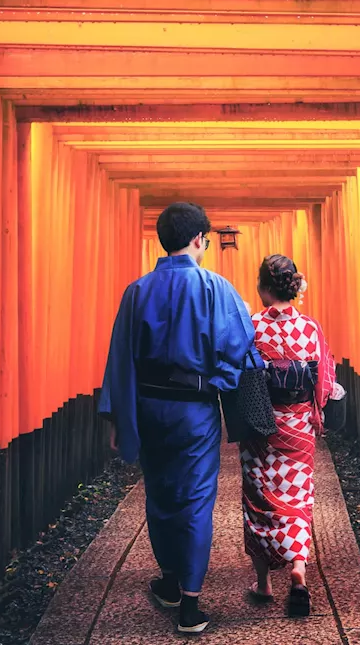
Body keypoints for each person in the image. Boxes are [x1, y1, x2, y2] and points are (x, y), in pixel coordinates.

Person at [97, 202, 257, 634]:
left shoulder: (137, 291)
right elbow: (239, 345)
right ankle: (189, 602)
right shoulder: (215, 288)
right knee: (196, 500)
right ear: (199, 239)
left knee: (161, 495)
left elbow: (119, 358)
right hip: (194, 410)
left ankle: (168, 580)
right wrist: (217, 383)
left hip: (148, 407)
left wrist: (116, 418)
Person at [241, 254, 340, 617]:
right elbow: (324, 376)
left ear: (263, 288)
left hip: (262, 426)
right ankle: (299, 570)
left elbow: (242, 374)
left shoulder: (252, 326)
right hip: (299, 425)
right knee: (298, 495)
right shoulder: (310, 327)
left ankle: (264, 583)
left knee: (259, 497)